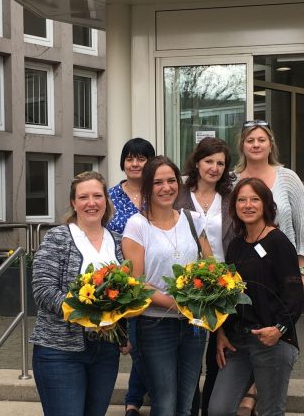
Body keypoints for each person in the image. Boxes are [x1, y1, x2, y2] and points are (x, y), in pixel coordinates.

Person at [30, 171, 129, 416]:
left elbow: (126, 293)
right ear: (74, 203)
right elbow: (43, 290)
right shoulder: (58, 238)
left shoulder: (118, 242)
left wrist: (124, 331)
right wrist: (86, 311)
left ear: (106, 200)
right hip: (59, 350)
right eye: (83, 197)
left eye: (97, 196)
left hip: (105, 351)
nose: (91, 203)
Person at [122, 156, 213, 416]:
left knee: (186, 402)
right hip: (155, 325)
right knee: (165, 402)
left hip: (194, 325)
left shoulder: (194, 220)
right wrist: (180, 305)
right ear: (148, 187)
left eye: (171, 180)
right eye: (158, 182)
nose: (166, 187)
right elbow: (137, 285)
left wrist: (207, 298)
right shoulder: (137, 226)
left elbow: (210, 266)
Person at [208, 178, 304, 416]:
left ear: (266, 205)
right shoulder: (236, 246)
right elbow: (227, 295)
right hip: (237, 342)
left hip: (271, 339)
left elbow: (295, 296)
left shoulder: (278, 242)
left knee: (270, 411)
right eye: (241, 200)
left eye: (254, 199)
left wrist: (279, 329)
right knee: (218, 410)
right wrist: (220, 332)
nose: (247, 205)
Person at [174, 137, 236, 416]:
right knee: (189, 356)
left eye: (220, 163)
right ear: (197, 162)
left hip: (226, 285)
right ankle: (189, 407)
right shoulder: (178, 194)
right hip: (189, 285)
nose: (214, 168)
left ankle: (210, 407)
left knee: (218, 355)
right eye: (209, 161)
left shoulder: (232, 197)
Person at [106, 137, 155, 416]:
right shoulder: (110, 196)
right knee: (132, 339)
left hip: (157, 278)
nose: (135, 164)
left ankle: (133, 400)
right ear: (123, 162)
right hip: (120, 281)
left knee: (144, 340)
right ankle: (135, 398)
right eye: (130, 158)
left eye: (141, 158)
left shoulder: (160, 192)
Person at [235, 120, 304, 285]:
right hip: (242, 269)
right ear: (242, 146)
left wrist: (302, 268)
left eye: (261, 140)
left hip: (284, 267)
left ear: (271, 146)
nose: (256, 145)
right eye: (250, 141)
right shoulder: (231, 182)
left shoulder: (288, 178)